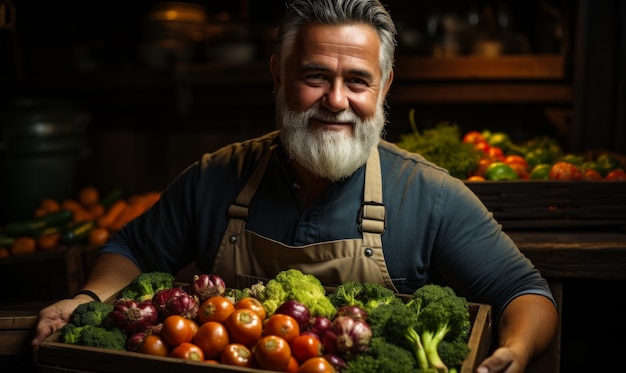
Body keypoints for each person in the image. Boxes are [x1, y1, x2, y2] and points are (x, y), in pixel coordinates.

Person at [32, 1, 558, 372]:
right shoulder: (217, 177)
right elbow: (131, 249)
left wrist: (512, 352)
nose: (335, 100)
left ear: (385, 86)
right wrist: (87, 297)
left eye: (357, 80)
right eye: (314, 76)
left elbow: (526, 295)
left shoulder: (429, 196)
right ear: (277, 75)